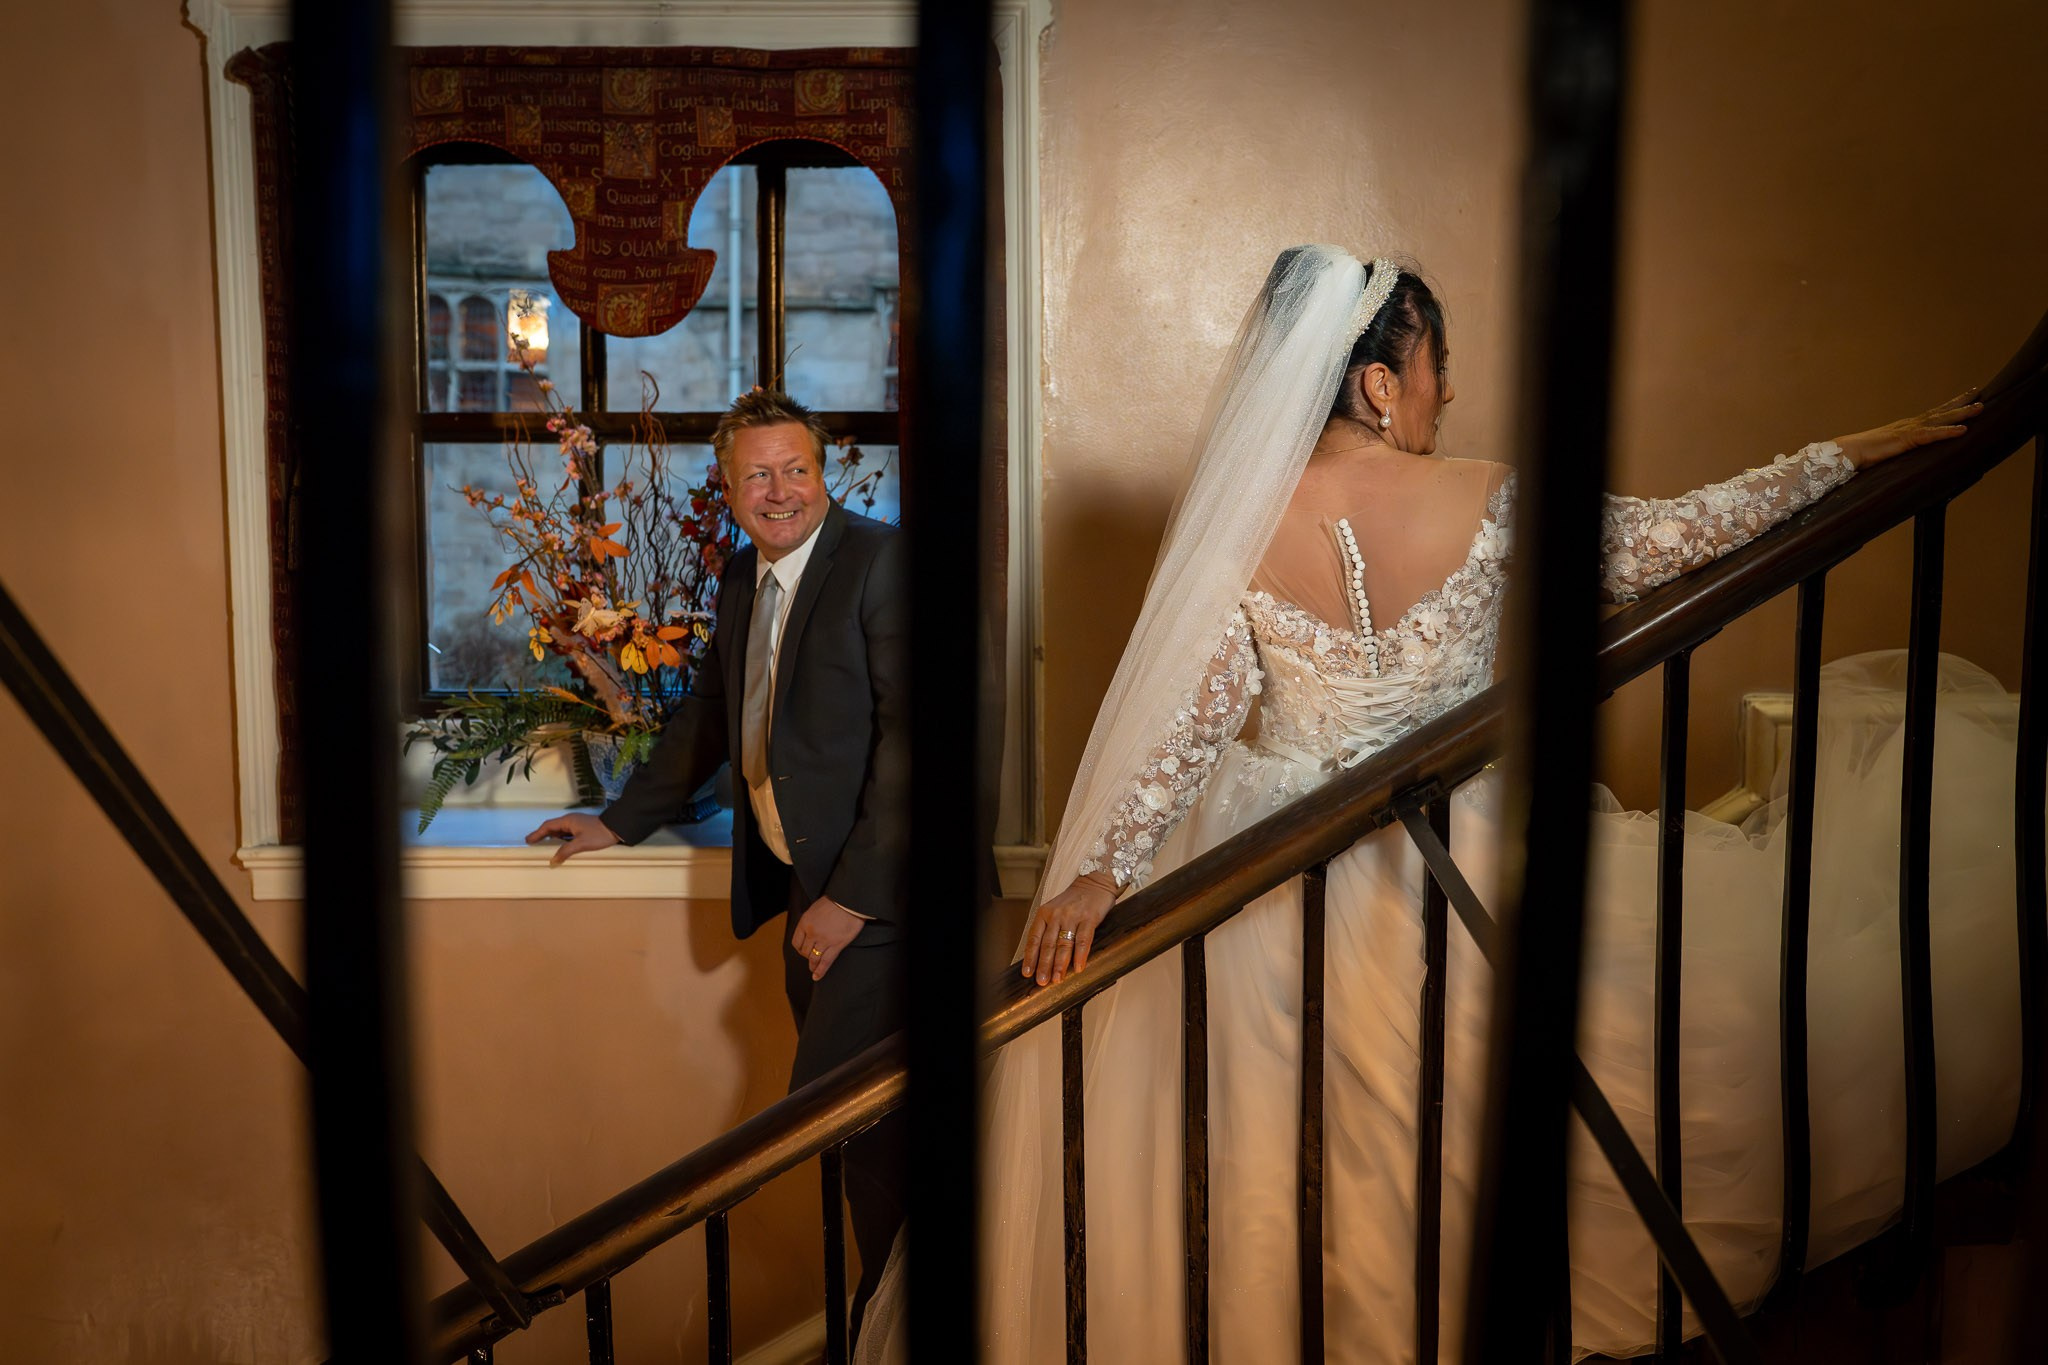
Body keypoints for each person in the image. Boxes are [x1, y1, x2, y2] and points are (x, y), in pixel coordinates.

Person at [855, 246, 2015, 1362]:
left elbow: (1186, 726)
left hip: (1275, 870)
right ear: (1374, 381)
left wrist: (1107, 866)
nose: (1443, 391)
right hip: (1461, 850)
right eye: (1431, 366)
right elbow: (1677, 535)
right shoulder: (1487, 497)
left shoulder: (1240, 526)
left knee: (1271, 1157)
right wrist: (1834, 459)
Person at [527, 388, 909, 1341]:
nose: (779, 491)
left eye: (796, 470)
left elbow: (923, 746)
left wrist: (851, 901)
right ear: (730, 486)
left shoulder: (885, 562)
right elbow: (705, 720)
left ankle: (883, 1321)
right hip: (802, 895)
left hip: (886, 904)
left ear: (824, 474)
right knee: (874, 1133)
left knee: (837, 1122)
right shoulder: (745, 575)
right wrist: (621, 821)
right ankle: (889, 1322)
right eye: (757, 475)